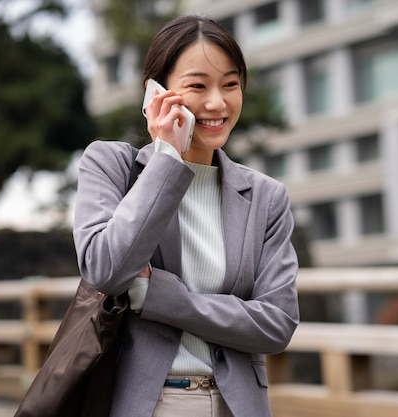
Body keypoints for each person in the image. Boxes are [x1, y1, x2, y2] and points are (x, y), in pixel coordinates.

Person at [73, 15, 299, 417]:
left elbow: (277, 323)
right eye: (198, 85)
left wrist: (161, 298)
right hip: (147, 404)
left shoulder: (266, 197)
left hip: (238, 406)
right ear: (155, 92)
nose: (217, 103)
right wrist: (166, 159)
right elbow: (106, 269)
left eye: (230, 84)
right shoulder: (109, 166)